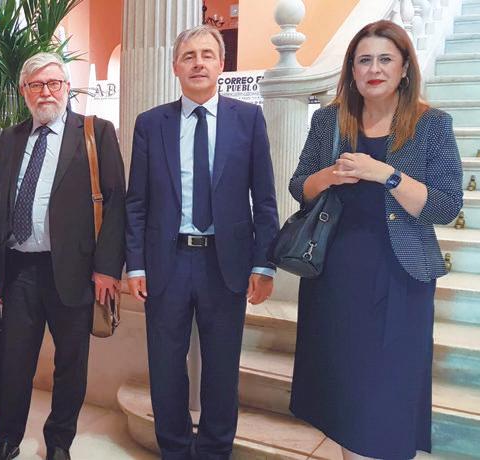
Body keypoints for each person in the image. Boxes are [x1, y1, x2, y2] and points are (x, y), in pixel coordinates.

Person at [288, 20, 463, 460]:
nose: (374, 69)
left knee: (387, 395)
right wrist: (331, 175)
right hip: (336, 277)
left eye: (385, 59)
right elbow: (299, 187)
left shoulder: (432, 124)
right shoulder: (329, 121)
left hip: (401, 278)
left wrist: (387, 175)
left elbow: (445, 206)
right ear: (352, 69)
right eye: (364, 60)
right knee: (343, 394)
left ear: (404, 68)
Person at [125, 24, 279, 459]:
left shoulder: (248, 119)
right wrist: (135, 264)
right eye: (188, 56)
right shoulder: (151, 124)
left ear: (221, 64)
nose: (198, 63)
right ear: (175, 66)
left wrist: (264, 264)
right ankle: (175, 449)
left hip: (225, 264)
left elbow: (265, 198)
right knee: (165, 368)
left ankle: (214, 451)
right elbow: (137, 202)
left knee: (222, 369)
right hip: (167, 262)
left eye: (207, 55)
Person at [0, 52, 126, 460]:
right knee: (13, 362)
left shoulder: (96, 132)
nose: (46, 92)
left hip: (75, 271)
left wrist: (106, 268)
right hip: (19, 269)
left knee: (71, 364)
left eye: (54, 83)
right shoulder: (11, 138)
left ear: (67, 88)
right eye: (36, 85)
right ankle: (7, 439)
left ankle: (59, 442)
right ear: (24, 91)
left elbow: (116, 202)